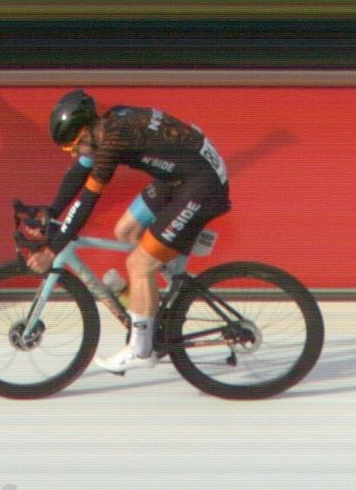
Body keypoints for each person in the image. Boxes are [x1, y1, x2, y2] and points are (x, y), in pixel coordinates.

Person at [26, 89, 232, 374]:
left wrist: (52, 250)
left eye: (73, 147)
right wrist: (51, 211)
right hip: (182, 176)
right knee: (126, 231)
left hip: (201, 185)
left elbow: (87, 201)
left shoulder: (113, 142)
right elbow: (78, 172)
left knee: (139, 264)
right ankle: (168, 284)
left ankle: (141, 350)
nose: (73, 153)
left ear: (85, 133)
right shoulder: (107, 124)